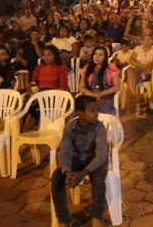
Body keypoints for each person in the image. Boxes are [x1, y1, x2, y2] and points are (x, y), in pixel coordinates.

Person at [51, 95, 108, 227]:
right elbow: (64, 152)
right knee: (56, 177)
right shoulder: (70, 128)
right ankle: (63, 219)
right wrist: (67, 172)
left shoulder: (99, 128)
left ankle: (97, 217)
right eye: (92, 110)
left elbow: (101, 156)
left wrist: (82, 174)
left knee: (98, 178)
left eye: (97, 110)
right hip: (78, 158)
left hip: (95, 161)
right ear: (80, 113)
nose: (96, 114)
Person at [79, 46, 121, 115]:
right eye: (95, 54)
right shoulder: (87, 68)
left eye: (100, 55)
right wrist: (91, 94)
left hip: (106, 98)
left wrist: (100, 94)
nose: (97, 57)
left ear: (105, 57)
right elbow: (81, 87)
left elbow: (116, 87)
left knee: (101, 113)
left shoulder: (111, 67)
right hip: (90, 97)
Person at [126, 34, 153, 112]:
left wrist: (146, 69)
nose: (147, 41)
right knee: (130, 70)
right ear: (141, 41)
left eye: (149, 39)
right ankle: (135, 96)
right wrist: (142, 65)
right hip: (137, 69)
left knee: (129, 81)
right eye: (145, 39)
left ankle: (133, 101)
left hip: (148, 71)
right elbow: (131, 60)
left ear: (152, 41)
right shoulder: (137, 48)